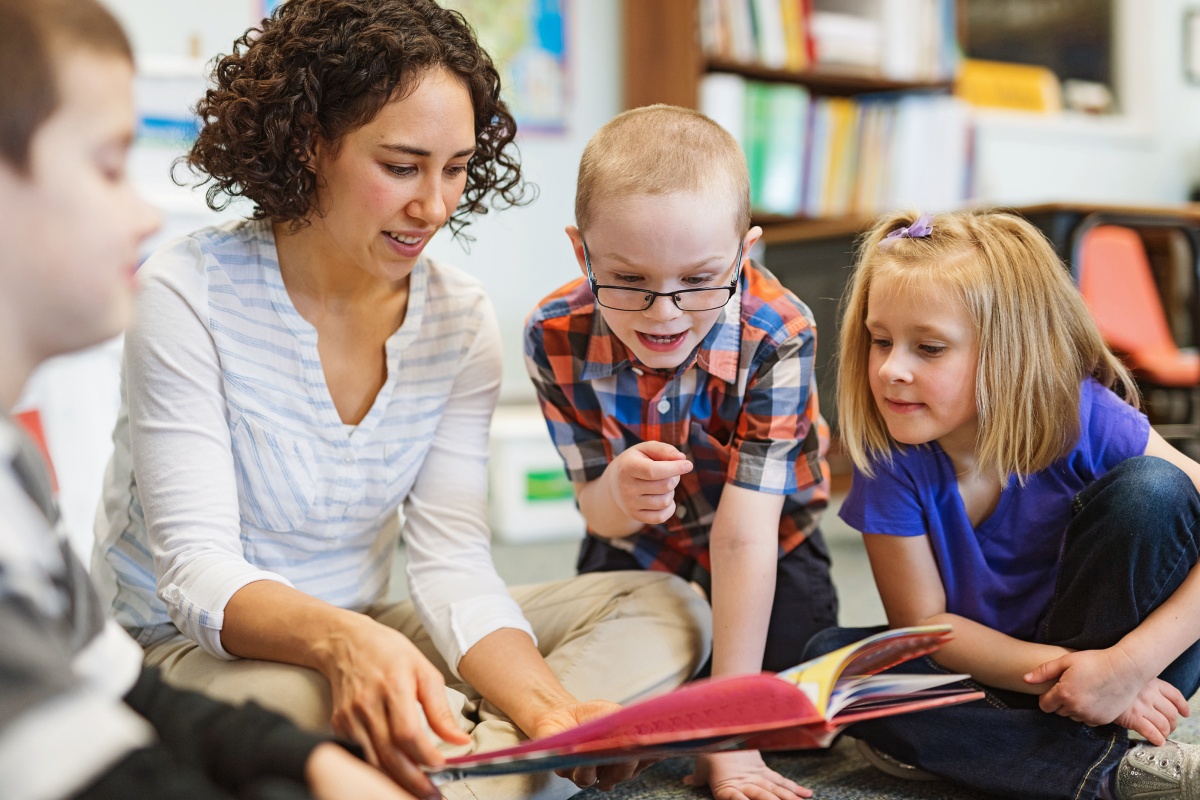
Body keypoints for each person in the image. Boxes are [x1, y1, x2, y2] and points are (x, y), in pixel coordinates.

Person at [90, 3, 711, 800]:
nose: (436, 205)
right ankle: (487, 758)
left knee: (668, 607)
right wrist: (349, 646)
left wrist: (547, 707)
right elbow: (195, 573)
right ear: (311, 143)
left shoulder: (458, 318)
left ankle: (467, 760)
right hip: (188, 650)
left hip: (372, 624)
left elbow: (451, 563)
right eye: (402, 165)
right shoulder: (186, 294)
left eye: (455, 167)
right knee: (307, 704)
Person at [0, 0, 423, 797]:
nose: (141, 214)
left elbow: (125, 691)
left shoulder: (13, 467)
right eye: (107, 163)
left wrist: (315, 764)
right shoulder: (189, 289)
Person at [809, 209, 1200, 800]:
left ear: (1010, 352)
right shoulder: (891, 457)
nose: (891, 369)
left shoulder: (1085, 415)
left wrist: (1124, 668)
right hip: (994, 672)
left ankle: (994, 749)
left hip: (1136, 661)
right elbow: (924, 627)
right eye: (881, 341)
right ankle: (1110, 768)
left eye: (929, 348)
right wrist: (1077, 677)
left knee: (1154, 489)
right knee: (836, 666)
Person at [524, 104, 837, 800]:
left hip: (770, 540)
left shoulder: (778, 331)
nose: (663, 313)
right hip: (636, 546)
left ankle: (711, 696)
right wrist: (617, 495)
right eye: (629, 280)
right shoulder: (552, 332)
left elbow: (745, 536)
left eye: (699, 278)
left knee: (795, 713)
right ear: (583, 253)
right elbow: (596, 514)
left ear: (743, 252)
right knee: (607, 696)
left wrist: (729, 733)